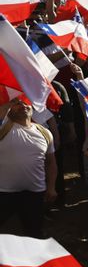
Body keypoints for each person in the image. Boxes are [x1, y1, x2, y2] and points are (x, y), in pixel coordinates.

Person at [0, 98, 56, 237]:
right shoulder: (4, 128)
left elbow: (51, 163)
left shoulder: (45, 133)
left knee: (33, 233)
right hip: (4, 193)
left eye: (25, 103)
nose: (22, 105)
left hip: (35, 193)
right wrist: (6, 105)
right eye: (17, 103)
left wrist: (51, 187)